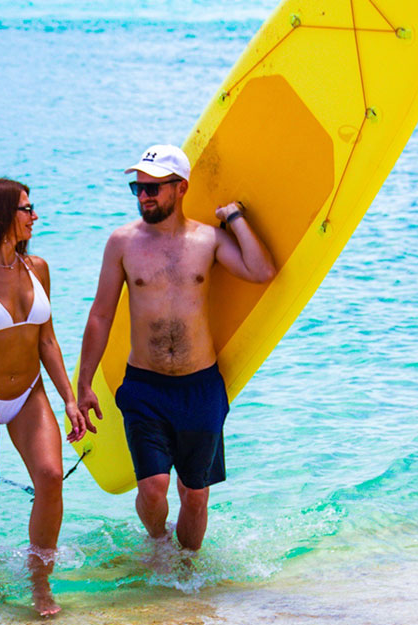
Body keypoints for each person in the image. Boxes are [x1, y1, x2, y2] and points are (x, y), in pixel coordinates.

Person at [77, 144, 275, 551]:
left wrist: (234, 218)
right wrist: (84, 384)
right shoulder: (123, 243)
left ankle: (188, 570)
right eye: (138, 189)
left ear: (181, 187)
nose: (143, 197)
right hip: (145, 387)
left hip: (200, 386)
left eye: (153, 188)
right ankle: (158, 545)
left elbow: (261, 271)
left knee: (195, 496)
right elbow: (100, 315)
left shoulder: (209, 240)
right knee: (152, 490)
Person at [0, 178, 85, 615]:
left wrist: (69, 399)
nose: (34, 216)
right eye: (27, 209)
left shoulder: (37, 267)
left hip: (29, 392)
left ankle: (40, 583)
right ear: (3, 215)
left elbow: (48, 341)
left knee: (50, 477)